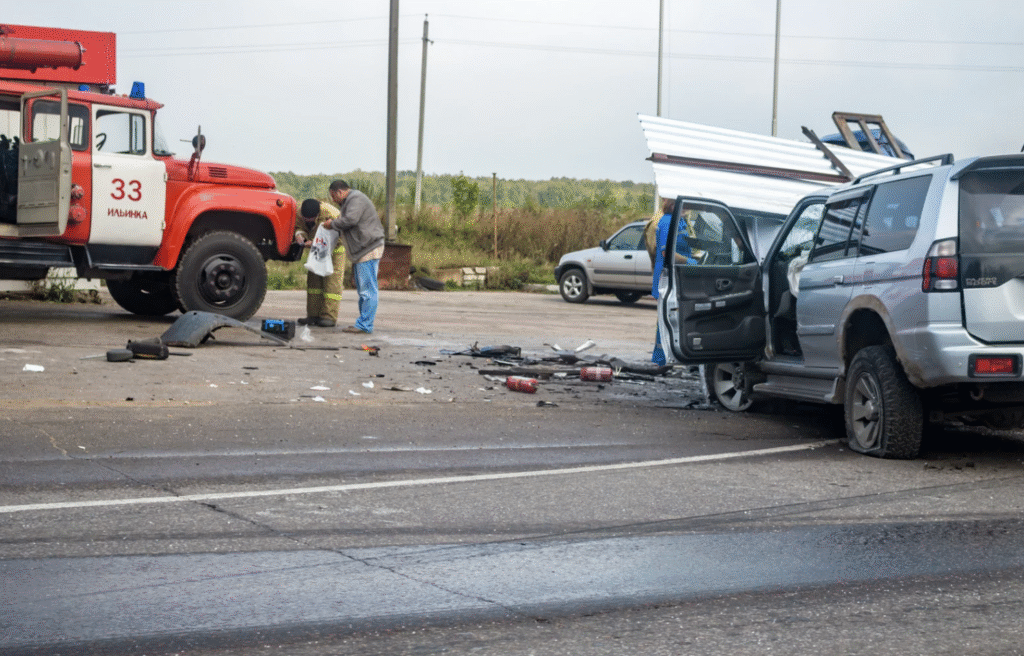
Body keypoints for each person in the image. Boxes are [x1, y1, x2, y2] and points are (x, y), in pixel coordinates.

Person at [327, 179, 386, 334]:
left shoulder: (356, 199)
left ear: (339, 192)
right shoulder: (350, 201)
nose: (333, 200)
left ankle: (365, 325)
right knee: (364, 290)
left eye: (333, 196)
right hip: (363, 250)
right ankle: (363, 323)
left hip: (368, 248)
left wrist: (332, 224)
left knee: (368, 290)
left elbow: (350, 220)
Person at [651, 197, 697, 365]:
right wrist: (690, 262)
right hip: (666, 276)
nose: (685, 208)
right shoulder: (667, 222)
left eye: (686, 205)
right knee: (665, 317)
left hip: (677, 275)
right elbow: (666, 253)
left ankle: (668, 357)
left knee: (673, 315)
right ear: (671, 205)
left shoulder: (681, 222)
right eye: (679, 205)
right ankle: (659, 360)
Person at [295, 199, 345, 327]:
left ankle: (329, 317)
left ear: (318, 215)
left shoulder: (332, 214)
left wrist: (317, 242)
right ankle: (313, 315)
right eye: (306, 219)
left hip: (335, 250)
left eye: (311, 219)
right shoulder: (299, 213)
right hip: (317, 250)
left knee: (332, 284)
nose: (308, 222)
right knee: (314, 283)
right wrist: (300, 235)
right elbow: (299, 227)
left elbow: (341, 234)